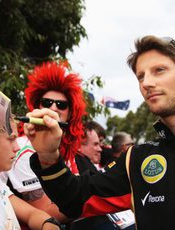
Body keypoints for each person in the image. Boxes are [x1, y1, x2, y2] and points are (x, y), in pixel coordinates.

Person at [23, 35, 175, 230]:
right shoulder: (136, 160)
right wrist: (48, 156)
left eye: (159, 70)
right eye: (141, 76)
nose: (146, 83)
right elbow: (75, 200)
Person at [1, 61, 86, 223]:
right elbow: (46, 212)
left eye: (61, 105)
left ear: (71, 113)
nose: (53, 108)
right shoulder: (24, 149)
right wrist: (96, 197)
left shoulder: (67, 149)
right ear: (37, 107)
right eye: (47, 103)